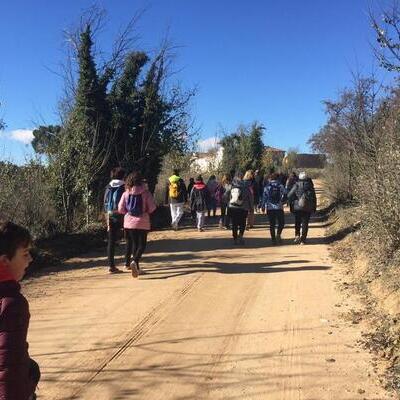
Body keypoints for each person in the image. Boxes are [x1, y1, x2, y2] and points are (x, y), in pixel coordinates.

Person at [0, 221, 40, 400]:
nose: (30, 259)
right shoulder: (12, 305)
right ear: (4, 261)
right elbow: (9, 371)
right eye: (24, 254)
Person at [119, 171, 157, 277]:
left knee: (135, 244)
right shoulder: (146, 193)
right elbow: (152, 208)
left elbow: (120, 209)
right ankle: (135, 261)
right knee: (142, 245)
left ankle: (136, 267)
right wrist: (146, 213)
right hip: (142, 222)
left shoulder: (126, 193)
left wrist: (127, 213)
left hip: (129, 223)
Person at [104, 167, 125, 274]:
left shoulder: (108, 186)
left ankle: (111, 266)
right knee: (129, 238)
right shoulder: (124, 186)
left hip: (110, 214)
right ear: (122, 175)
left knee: (111, 241)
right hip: (122, 214)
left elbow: (105, 202)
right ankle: (128, 263)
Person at [287, 171, 317, 245]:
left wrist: (292, 203)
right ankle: (303, 239)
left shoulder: (296, 185)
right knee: (305, 223)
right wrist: (314, 207)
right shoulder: (310, 185)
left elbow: (289, 195)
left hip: (297, 207)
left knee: (297, 221)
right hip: (307, 207)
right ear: (306, 178)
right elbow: (314, 197)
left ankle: (297, 235)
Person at [227, 172, 254, 245]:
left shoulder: (231, 185)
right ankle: (241, 236)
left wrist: (227, 204)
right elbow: (250, 197)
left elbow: (226, 196)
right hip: (243, 207)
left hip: (233, 207)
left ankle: (235, 238)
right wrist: (251, 207)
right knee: (242, 223)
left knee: (234, 223)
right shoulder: (246, 186)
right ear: (242, 177)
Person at [261, 172, 286, 245]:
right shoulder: (280, 185)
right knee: (281, 222)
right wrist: (283, 201)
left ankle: (273, 239)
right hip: (279, 207)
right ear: (277, 178)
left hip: (270, 207)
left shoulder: (267, 186)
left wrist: (263, 206)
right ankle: (278, 234)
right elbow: (285, 193)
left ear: (270, 178)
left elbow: (264, 197)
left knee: (272, 224)